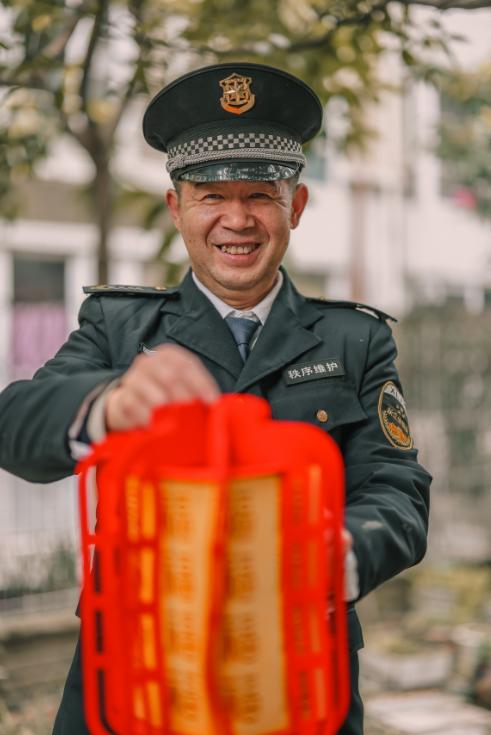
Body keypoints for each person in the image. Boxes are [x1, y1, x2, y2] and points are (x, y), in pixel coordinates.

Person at [0, 63, 430, 735]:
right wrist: (109, 401)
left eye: (260, 194)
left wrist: (339, 552)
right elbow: (14, 427)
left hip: (294, 676)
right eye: (210, 195)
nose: (237, 219)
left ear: (296, 206)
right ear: (177, 209)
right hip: (135, 676)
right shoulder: (119, 327)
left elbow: (397, 490)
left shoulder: (355, 339)